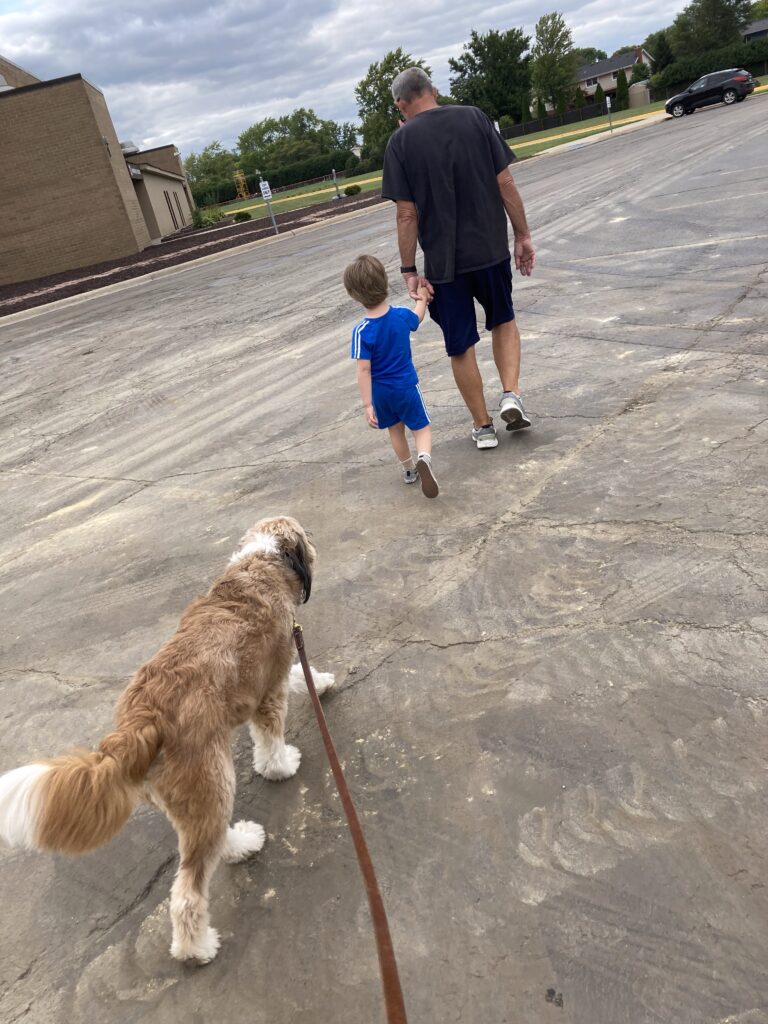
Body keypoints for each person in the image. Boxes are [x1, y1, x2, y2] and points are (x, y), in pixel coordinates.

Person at [382, 67, 536, 451]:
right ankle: (511, 394)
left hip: (444, 266)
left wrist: (409, 271)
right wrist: (522, 235)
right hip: (489, 250)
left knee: (460, 345)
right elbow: (505, 183)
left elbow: (406, 214)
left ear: (401, 103)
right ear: (433, 90)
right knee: (503, 321)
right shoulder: (474, 117)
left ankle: (483, 427)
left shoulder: (400, 143)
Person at [343, 254, 439, 499]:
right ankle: (424, 458)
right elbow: (417, 316)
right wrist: (424, 297)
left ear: (353, 294)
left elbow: (363, 370)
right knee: (421, 428)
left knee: (395, 431)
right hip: (405, 386)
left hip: (381, 393)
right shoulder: (399, 315)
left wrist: (367, 404)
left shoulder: (361, 331)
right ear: (385, 283)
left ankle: (408, 470)